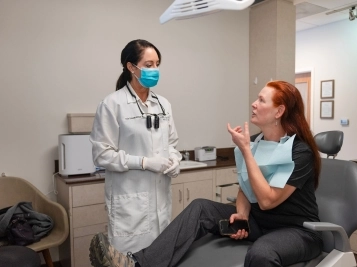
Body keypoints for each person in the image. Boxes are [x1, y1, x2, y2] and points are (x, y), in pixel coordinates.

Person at [89, 80, 323, 267]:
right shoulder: (256, 142)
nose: (253, 103)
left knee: (261, 254)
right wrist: (241, 214)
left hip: (297, 231)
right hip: (260, 222)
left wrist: (246, 151)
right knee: (201, 207)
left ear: (279, 111)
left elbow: (268, 199)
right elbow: (246, 187)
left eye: (261, 100)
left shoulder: (300, 152)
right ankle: (138, 263)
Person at [89, 39, 182, 255]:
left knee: (160, 257)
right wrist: (145, 162)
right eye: (148, 65)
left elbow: (172, 145)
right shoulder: (112, 104)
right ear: (131, 67)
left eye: (157, 64)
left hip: (161, 201)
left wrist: (175, 161)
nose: (155, 70)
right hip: (130, 204)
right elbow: (102, 155)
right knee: (130, 260)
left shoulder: (163, 105)